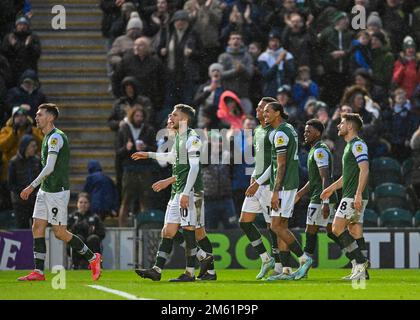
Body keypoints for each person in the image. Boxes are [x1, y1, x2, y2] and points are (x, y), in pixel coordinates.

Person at [17, 103, 102, 281]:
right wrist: (38, 188)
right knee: (37, 226)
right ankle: (39, 272)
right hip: (45, 190)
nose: (36, 118)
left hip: (57, 192)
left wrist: (31, 186)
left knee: (59, 232)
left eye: (40, 115)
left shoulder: (56, 138)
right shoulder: (47, 137)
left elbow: (49, 167)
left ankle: (93, 258)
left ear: (50, 117)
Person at [132, 104, 214, 281]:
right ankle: (158, 270)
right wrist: (149, 154)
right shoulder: (178, 137)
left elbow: (194, 168)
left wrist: (185, 193)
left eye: (174, 115)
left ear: (184, 119)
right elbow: (172, 159)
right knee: (168, 231)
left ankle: (190, 273)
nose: (170, 117)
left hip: (189, 192)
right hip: (178, 191)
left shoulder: (192, 138)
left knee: (190, 230)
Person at [263, 101, 312, 281]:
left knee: (275, 226)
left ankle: (304, 259)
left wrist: (275, 191)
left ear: (277, 113)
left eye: (268, 111)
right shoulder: (289, 128)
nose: (264, 114)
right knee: (281, 227)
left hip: (283, 186)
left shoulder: (280, 133)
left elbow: (281, 164)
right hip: (289, 184)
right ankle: (286, 270)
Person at [239, 96, 285, 280]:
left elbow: (275, 163)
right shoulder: (258, 130)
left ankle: (280, 265)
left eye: (263, 109)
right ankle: (266, 259)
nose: (259, 111)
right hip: (256, 183)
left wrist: (259, 181)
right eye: (258, 108)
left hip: (267, 185)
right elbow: (260, 159)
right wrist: (253, 177)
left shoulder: (273, 132)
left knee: (272, 226)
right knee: (244, 221)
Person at [321, 113, 370, 281]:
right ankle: (361, 272)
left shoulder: (357, 145)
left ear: (350, 126)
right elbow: (346, 176)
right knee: (354, 230)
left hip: (352, 195)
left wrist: (357, 194)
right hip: (352, 193)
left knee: (336, 228)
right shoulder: (350, 146)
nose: (338, 126)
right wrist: (330, 188)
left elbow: (365, 169)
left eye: (341, 123)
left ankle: (361, 263)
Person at [294, 119, 339, 277]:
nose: (305, 134)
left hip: (321, 198)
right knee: (331, 232)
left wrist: (325, 201)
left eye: (309, 131)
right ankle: (358, 259)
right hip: (319, 196)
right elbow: (314, 180)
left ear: (318, 133)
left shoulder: (320, 151)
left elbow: (324, 177)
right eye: (305, 131)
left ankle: (358, 259)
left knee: (316, 231)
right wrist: (300, 194)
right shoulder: (314, 150)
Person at [116, 106, 156, 227]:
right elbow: (118, 151)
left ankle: (146, 226)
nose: (139, 118)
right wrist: (126, 148)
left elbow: (155, 149)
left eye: (141, 116)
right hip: (129, 168)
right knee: (126, 200)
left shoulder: (149, 130)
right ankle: (122, 227)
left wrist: (146, 148)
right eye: (137, 116)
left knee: (145, 200)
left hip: (144, 169)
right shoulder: (124, 129)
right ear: (132, 116)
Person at [8, 134, 41, 229]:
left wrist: (33, 190)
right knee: (22, 228)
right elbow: (10, 184)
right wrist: (24, 190)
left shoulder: (37, 160)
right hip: (19, 202)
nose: (35, 148)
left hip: (35, 200)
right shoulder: (13, 162)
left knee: (37, 227)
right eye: (32, 146)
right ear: (25, 147)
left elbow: (41, 179)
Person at [67, 193, 106, 269]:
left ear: (89, 204)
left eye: (85, 202)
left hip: (91, 244)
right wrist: (75, 227)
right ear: (77, 204)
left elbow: (102, 233)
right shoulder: (71, 217)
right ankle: (75, 265)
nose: (83, 205)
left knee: (93, 238)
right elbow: (66, 232)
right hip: (76, 245)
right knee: (78, 238)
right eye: (81, 202)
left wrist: (93, 231)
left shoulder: (95, 217)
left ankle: (96, 264)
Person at [1, 16, 41, 86]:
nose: (22, 27)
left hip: (28, 70)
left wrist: (18, 45)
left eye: (24, 24)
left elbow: (37, 53)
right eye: (20, 24)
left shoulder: (32, 37)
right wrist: (24, 46)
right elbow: (5, 53)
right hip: (13, 71)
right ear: (16, 25)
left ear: (27, 26)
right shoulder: (9, 37)